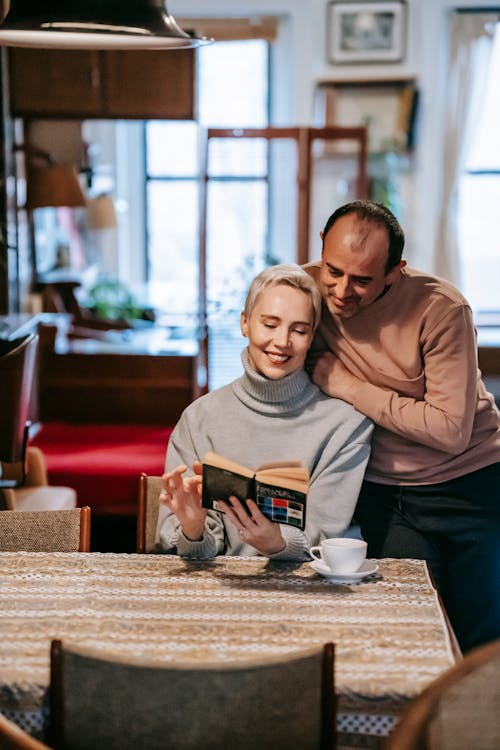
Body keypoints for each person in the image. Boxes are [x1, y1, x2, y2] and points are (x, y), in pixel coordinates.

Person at [304, 199, 500, 652]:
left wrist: (346, 386)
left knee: (480, 640)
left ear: (395, 272)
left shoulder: (442, 308)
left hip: (471, 485)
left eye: (363, 280)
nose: (341, 291)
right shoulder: (307, 288)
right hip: (384, 493)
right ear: (322, 248)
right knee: (410, 631)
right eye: (334, 271)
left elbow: (450, 430)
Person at [156, 264, 373, 560]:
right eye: (270, 325)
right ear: (245, 323)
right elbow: (193, 552)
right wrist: (194, 530)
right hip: (220, 595)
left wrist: (279, 544)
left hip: (311, 597)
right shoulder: (199, 419)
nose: (282, 342)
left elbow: (325, 538)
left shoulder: (347, 426)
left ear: (312, 337)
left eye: (299, 330)